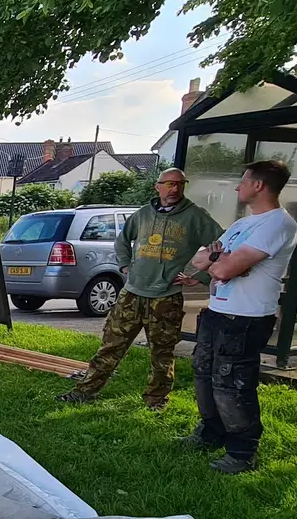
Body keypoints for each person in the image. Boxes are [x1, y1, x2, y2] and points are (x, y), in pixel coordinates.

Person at [57, 168, 223, 411]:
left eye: (179, 184)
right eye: (169, 183)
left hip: (166, 297)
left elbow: (223, 245)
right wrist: (125, 265)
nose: (174, 189)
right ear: (158, 186)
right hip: (132, 293)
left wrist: (200, 276)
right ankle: (84, 392)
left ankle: (156, 400)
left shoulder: (196, 217)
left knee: (162, 352)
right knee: (110, 345)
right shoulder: (143, 214)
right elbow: (122, 240)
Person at [180, 159, 297, 474]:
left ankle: (243, 451)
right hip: (218, 312)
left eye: (243, 181)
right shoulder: (242, 225)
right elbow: (201, 257)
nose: (237, 186)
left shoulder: (277, 225)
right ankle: (211, 432)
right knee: (204, 374)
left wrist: (217, 259)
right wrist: (218, 258)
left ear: (258, 185)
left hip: (245, 319)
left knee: (232, 383)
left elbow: (223, 269)